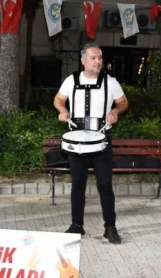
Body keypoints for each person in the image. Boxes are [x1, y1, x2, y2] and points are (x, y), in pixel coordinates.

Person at [53, 43, 128, 244]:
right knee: (78, 184)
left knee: (105, 184)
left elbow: (123, 102)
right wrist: (62, 110)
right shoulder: (71, 80)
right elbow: (58, 99)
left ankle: (110, 227)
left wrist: (114, 111)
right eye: (94, 58)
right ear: (83, 60)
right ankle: (77, 225)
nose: (98, 61)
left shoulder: (110, 82)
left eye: (100, 58)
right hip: (77, 140)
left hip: (102, 139)